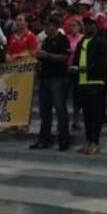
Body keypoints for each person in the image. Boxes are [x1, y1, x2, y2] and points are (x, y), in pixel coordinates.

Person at [31, 16, 72, 151]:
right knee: (44, 110)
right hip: (45, 77)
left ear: (55, 26)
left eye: (48, 26)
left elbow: (65, 57)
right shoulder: (45, 40)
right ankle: (44, 138)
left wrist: (47, 55)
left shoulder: (62, 39)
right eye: (45, 26)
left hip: (58, 78)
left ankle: (64, 140)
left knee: (60, 109)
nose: (46, 28)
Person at [70, 16, 107, 155]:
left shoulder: (101, 42)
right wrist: (75, 69)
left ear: (95, 26)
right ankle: (88, 141)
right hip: (82, 82)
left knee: (96, 115)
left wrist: (86, 69)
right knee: (86, 115)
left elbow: (103, 63)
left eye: (90, 24)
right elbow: (76, 60)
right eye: (86, 24)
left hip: (96, 82)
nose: (87, 26)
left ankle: (95, 142)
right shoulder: (81, 42)